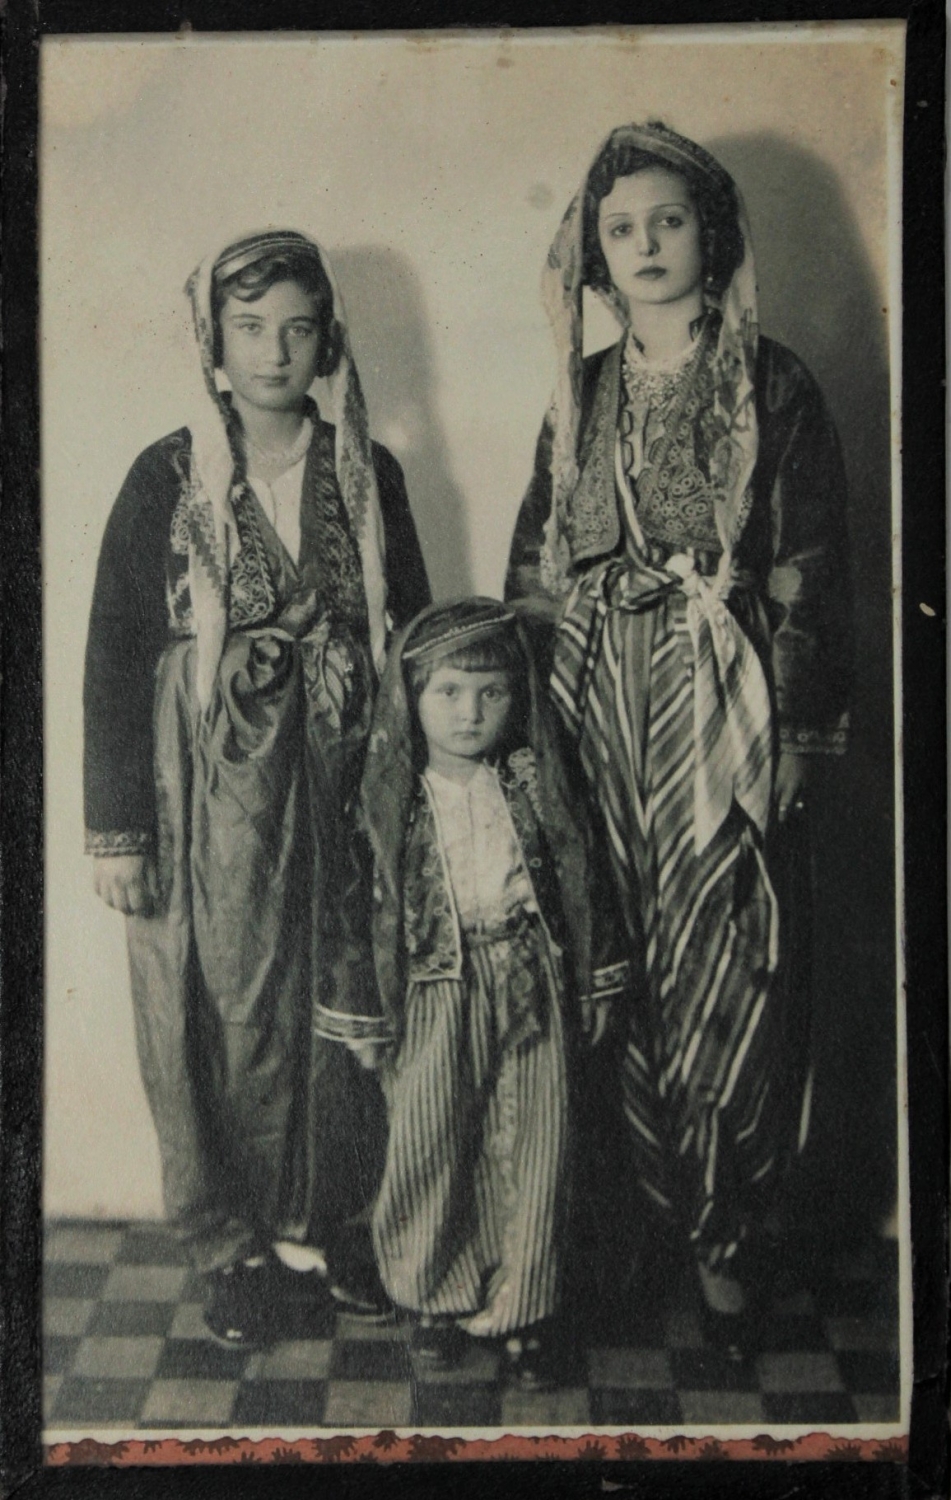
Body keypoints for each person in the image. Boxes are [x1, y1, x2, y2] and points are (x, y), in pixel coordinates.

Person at [505, 122, 852, 1352]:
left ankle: (724, 1241)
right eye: (621, 228)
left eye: (669, 221)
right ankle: (629, 1232)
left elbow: (811, 569)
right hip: (597, 696)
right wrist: (523, 736)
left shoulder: (774, 384)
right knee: (607, 952)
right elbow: (538, 566)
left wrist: (800, 734)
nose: (646, 245)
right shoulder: (581, 390)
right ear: (593, 253)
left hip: (721, 697)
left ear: (714, 233)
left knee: (725, 956)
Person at [83, 228, 430, 1348]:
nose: (274, 351)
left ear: (329, 340)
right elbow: (114, 650)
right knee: (214, 998)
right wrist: (119, 828)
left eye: (297, 327)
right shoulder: (165, 475)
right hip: (203, 789)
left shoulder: (366, 470)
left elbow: (414, 630)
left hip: (339, 774)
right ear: (213, 345)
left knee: (346, 985)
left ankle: (336, 1226)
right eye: (249, 328)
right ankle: (229, 1243)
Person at [318, 598, 631, 1388]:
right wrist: (363, 1016)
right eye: (449, 692)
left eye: (491, 693)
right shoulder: (389, 798)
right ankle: (434, 1297)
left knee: (535, 1143)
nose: (470, 713)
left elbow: (582, 875)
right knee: (430, 1143)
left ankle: (525, 1310)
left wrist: (596, 980)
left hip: (530, 981)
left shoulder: (532, 782)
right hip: (432, 992)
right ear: (411, 697)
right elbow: (353, 909)